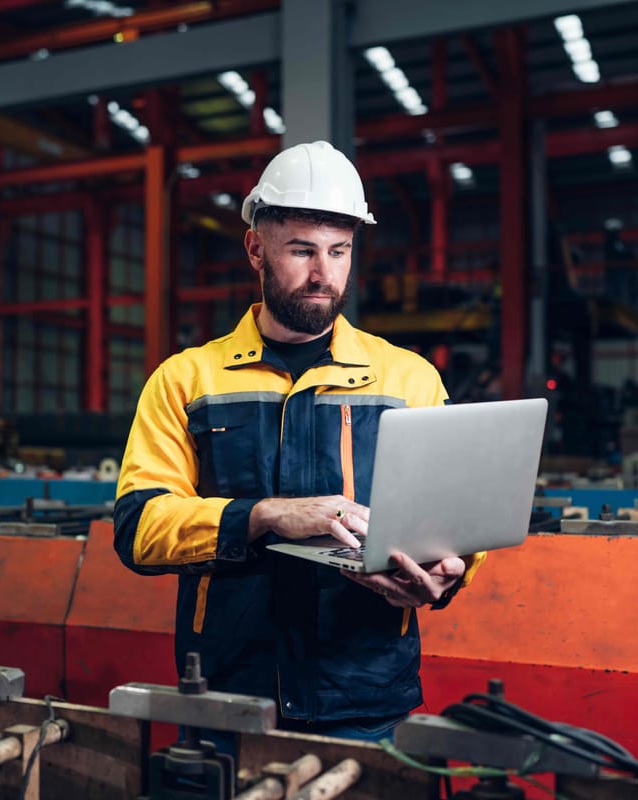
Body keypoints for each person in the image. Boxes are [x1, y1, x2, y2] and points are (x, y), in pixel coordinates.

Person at [113, 140, 487, 741]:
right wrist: (263, 516)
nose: (324, 274)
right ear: (255, 248)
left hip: (364, 696)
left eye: (339, 252)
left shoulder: (408, 379)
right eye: (302, 251)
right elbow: (139, 528)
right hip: (226, 696)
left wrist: (451, 571)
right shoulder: (186, 380)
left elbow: (459, 525)